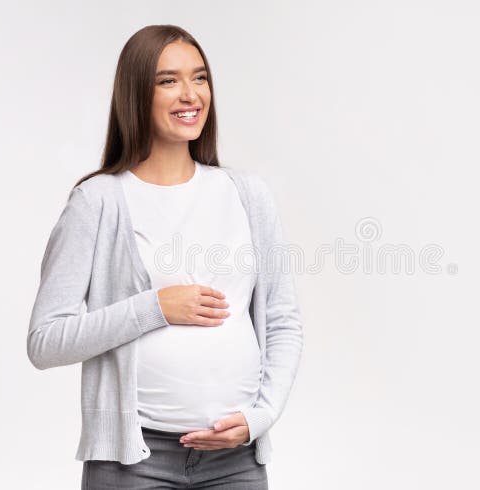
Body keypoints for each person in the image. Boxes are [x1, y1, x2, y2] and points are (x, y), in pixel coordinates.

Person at [26, 24, 304, 489]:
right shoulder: (99, 202)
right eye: (168, 80)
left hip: (236, 461)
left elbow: (282, 320)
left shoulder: (248, 195)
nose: (190, 94)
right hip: (135, 464)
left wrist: (262, 416)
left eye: (199, 78)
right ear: (137, 94)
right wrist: (154, 307)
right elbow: (45, 340)